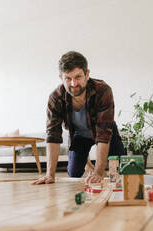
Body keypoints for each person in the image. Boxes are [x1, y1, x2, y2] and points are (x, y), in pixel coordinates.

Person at [32, 51, 126, 185]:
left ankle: (98, 169)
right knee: (74, 172)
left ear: (87, 74)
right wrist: (50, 174)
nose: (73, 84)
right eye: (68, 78)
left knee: (121, 169)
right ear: (61, 78)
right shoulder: (55, 97)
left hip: (106, 132)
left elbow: (103, 134)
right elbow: (53, 135)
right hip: (79, 136)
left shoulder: (103, 91)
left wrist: (99, 172)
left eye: (78, 77)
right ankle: (87, 164)